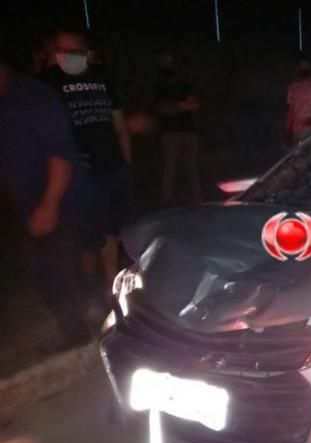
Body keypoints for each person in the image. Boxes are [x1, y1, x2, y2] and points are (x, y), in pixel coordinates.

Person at [0, 51, 91, 348]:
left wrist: (48, 206)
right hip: (27, 203)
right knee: (44, 274)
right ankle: (78, 329)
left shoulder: (32, 96)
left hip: (54, 204)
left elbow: (60, 154)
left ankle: (79, 335)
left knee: (55, 274)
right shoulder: (7, 100)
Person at [40, 28, 134, 294]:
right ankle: (87, 286)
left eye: (76, 51)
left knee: (114, 231)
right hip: (77, 172)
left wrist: (126, 162)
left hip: (112, 166)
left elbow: (119, 125)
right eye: (63, 51)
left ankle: (108, 288)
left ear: (87, 51)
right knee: (87, 236)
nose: (69, 56)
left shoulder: (101, 76)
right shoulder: (47, 82)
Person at [153, 52, 202, 205]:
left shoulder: (184, 85)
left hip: (188, 131)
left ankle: (198, 201)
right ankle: (167, 202)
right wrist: (181, 105)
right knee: (170, 168)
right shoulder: (159, 86)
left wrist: (175, 106)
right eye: (164, 63)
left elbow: (194, 105)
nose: (167, 66)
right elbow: (163, 109)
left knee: (192, 168)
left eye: (169, 62)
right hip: (170, 132)